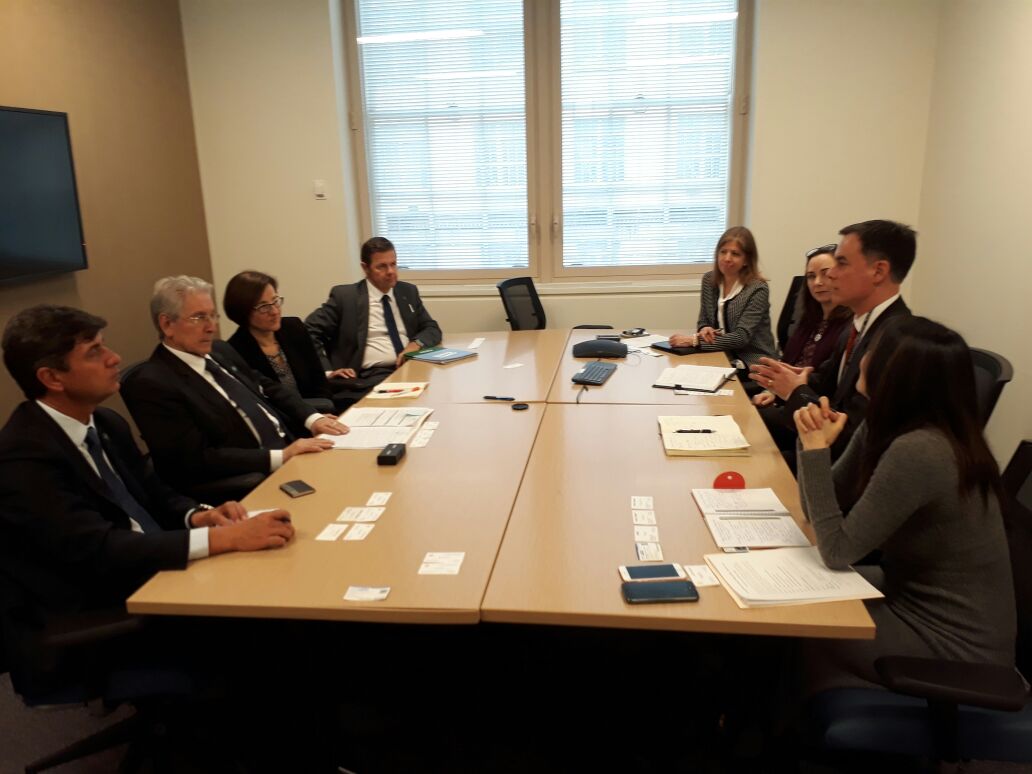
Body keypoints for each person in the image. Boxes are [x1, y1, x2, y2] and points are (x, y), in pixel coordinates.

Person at [0, 305, 297, 616]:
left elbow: (156, 493)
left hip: (160, 565)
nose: (114, 358)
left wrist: (198, 516)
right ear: (52, 378)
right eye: (94, 352)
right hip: (108, 603)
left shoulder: (107, 422)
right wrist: (222, 538)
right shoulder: (22, 457)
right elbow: (98, 549)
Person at [793, 317, 1015, 691]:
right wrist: (811, 440)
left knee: (789, 625)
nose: (864, 358)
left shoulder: (921, 450)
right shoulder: (887, 424)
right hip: (906, 594)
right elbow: (815, 508)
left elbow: (837, 550)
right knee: (787, 598)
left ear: (895, 373)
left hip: (952, 645)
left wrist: (815, 453)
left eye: (873, 351)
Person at [121, 276, 346, 500]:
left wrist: (312, 419)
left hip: (294, 448)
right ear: (167, 324)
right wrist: (281, 456)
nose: (211, 327)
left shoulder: (220, 351)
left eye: (212, 316)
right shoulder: (152, 383)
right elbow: (196, 459)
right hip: (257, 478)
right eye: (199, 317)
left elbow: (267, 387)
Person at [750, 219, 915, 457]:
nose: (831, 275)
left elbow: (851, 436)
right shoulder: (856, 326)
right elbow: (828, 384)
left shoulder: (897, 342)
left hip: (844, 465)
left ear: (878, 271)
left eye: (841, 263)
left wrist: (795, 392)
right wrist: (797, 378)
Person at [306, 236, 442, 406]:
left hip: (410, 367)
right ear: (365, 268)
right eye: (382, 266)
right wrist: (327, 371)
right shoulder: (345, 297)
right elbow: (308, 332)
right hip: (369, 377)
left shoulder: (407, 292)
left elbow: (431, 327)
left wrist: (415, 344)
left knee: (441, 393)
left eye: (393, 264)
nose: (390, 271)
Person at [669, 226, 777, 377]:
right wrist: (705, 328)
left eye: (735, 254)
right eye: (723, 252)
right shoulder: (709, 280)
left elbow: (741, 337)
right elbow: (704, 319)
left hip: (753, 361)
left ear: (746, 260)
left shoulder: (757, 288)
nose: (727, 258)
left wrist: (695, 341)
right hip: (720, 354)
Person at [752, 245, 851, 409]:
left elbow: (829, 385)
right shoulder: (809, 319)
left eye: (825, 274)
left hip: (814, 407)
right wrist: (771, 391)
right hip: (785, 399)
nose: (817, 282)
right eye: (811, 276)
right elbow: (787, 363)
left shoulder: (849, 328)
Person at [223, 270, 337, 412]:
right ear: (243, 311)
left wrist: (323, 413)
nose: (275, 311)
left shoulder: (294, 328)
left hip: (322, 412)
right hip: (285, 422)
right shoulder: (235, 352)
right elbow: (263, 406)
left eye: (275, 301)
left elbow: (320, 383)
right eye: (264, 306)